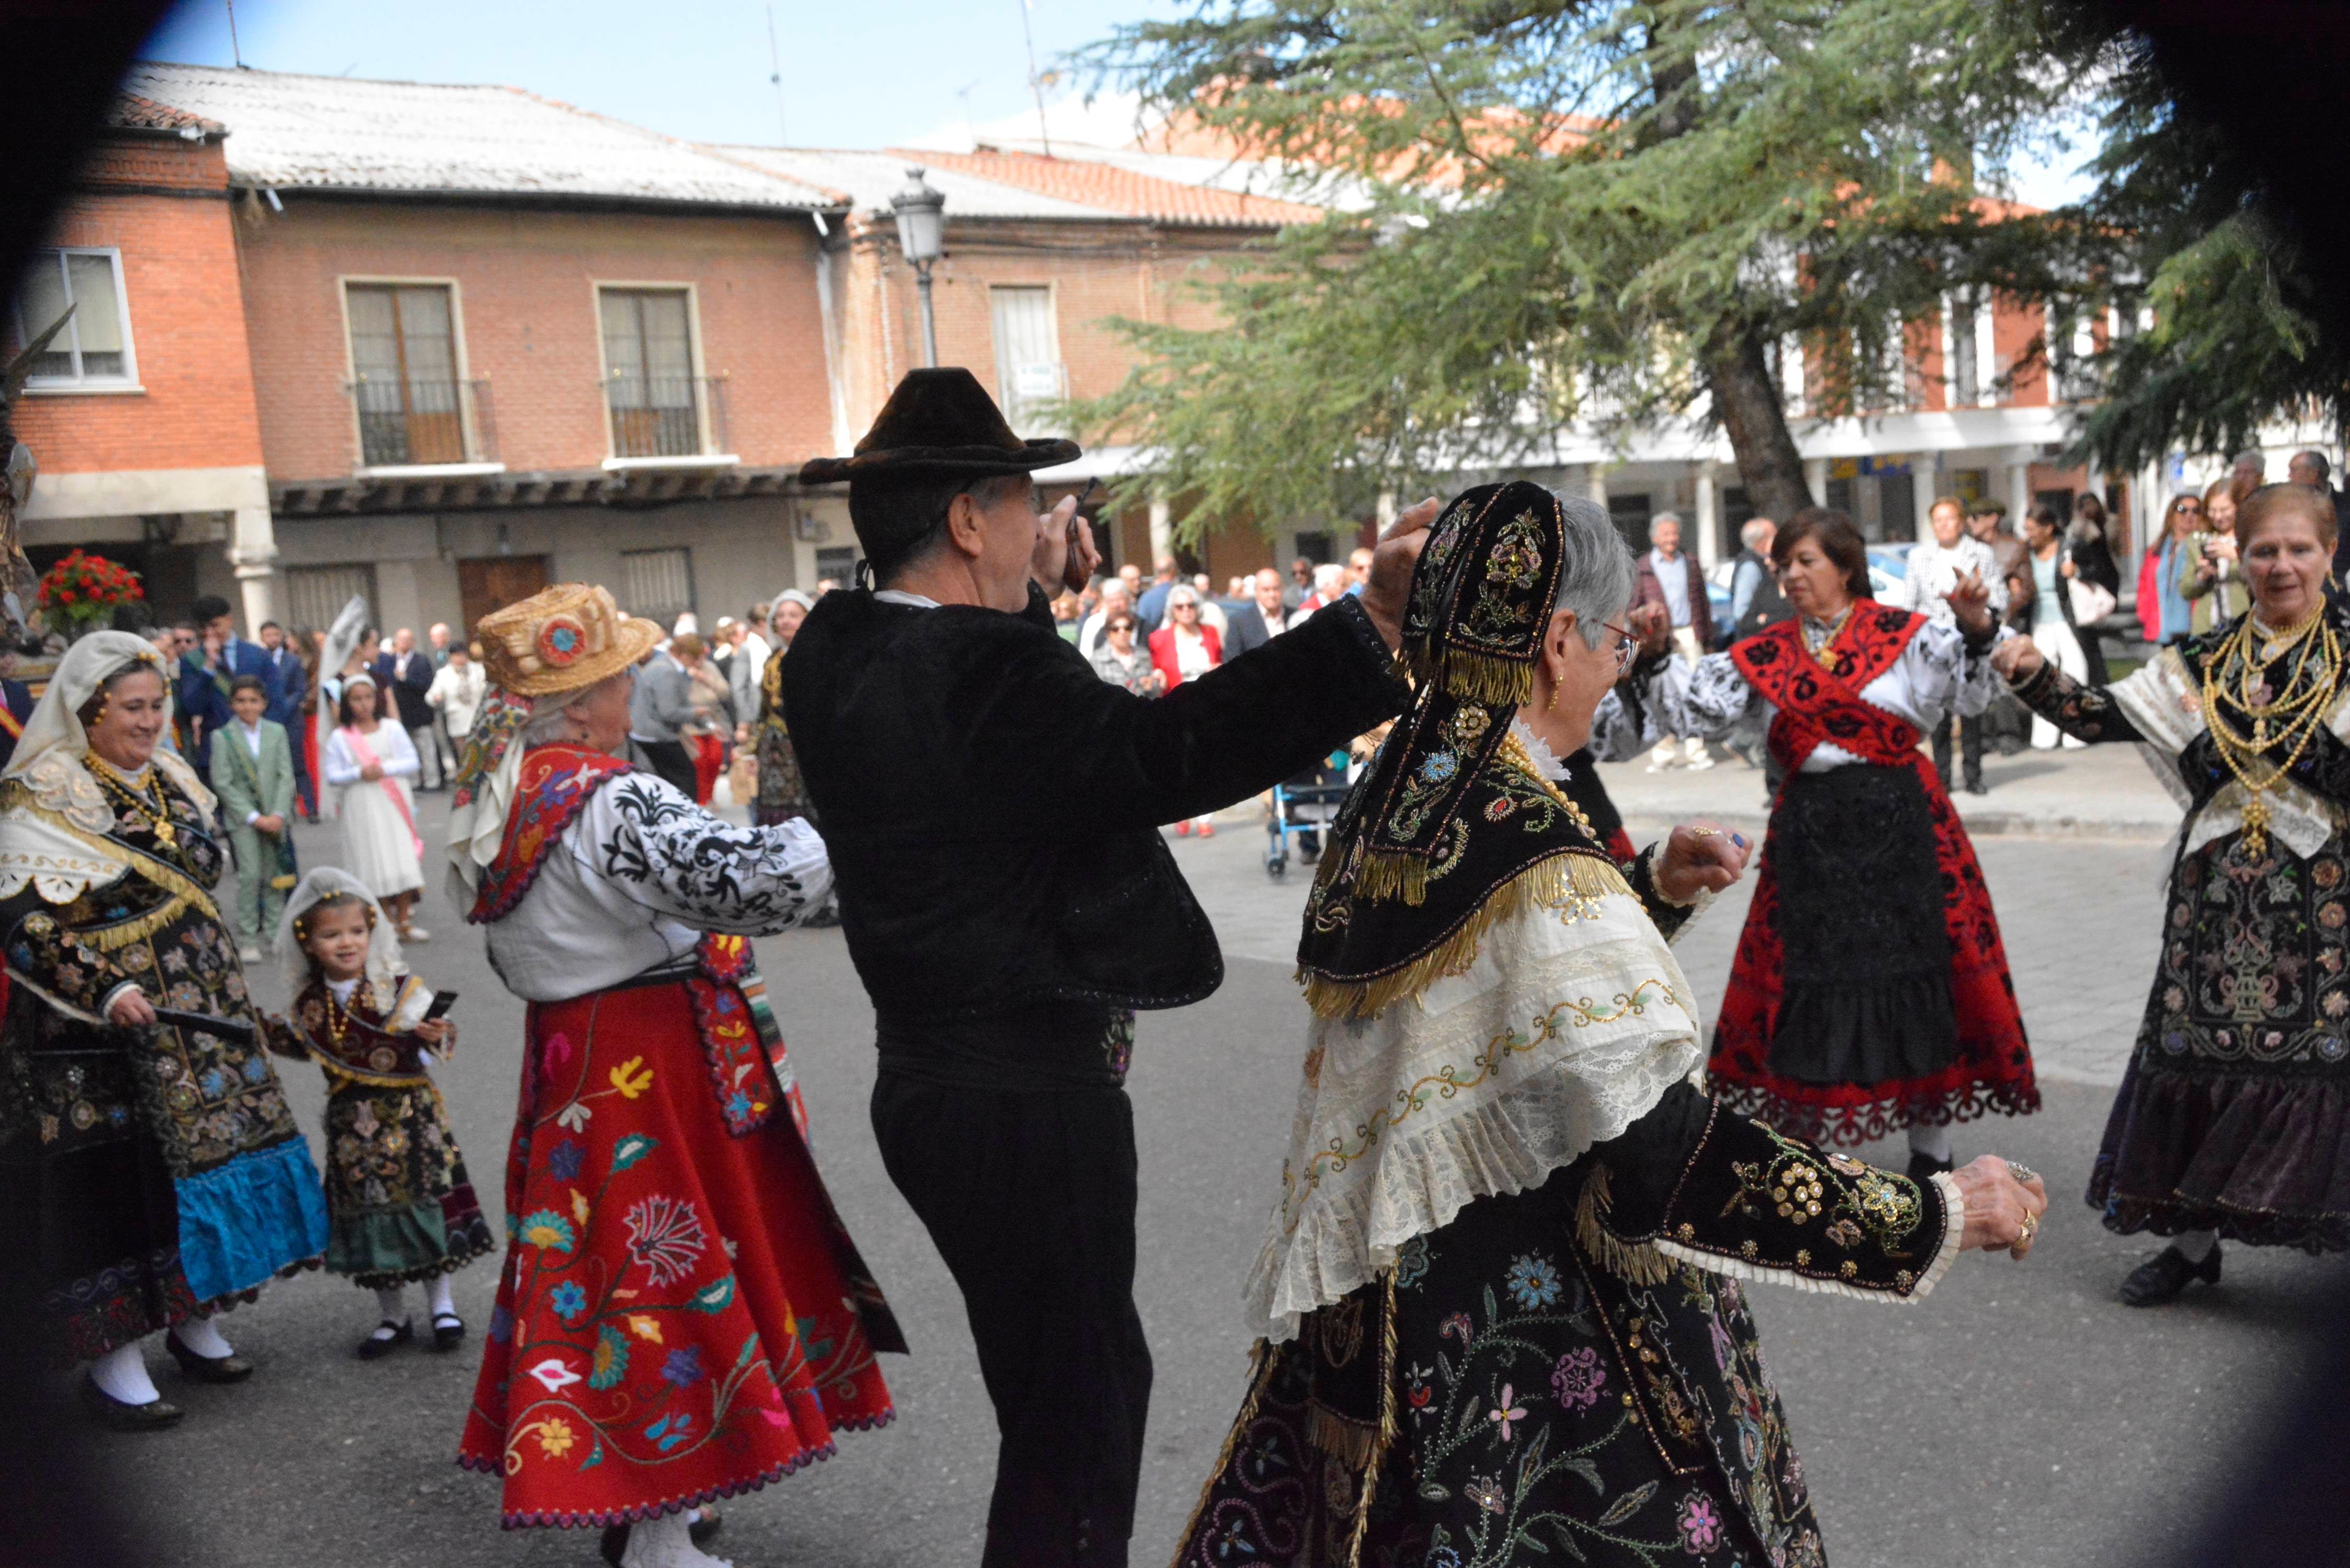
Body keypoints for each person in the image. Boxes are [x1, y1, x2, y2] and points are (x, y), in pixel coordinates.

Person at [1174, 482, 2047, 1567]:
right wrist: (1928, 1214)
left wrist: (1649, 895)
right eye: (1612, 636)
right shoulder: (1534, 842)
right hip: (1522, 1344)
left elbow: (1497, 1010)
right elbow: (1659, 1158)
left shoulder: (1407, 784)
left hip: (1386, 1310)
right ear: (1552, 642)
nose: (1618, 662)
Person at [784, 366, 1422, 1568]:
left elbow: (987, 721)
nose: (1047, 524)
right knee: (1080, 1416)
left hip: (930, 1088)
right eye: (1026, 501)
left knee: (1052, 1394)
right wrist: (1370, 629)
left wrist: (1023, 604)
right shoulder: (994, 677)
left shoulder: (831, 652)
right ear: (971, 519)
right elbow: (1161, 750)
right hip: (1027, 1097)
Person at [451, 583, 900, 1566]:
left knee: (602, 1269)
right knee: (662, 1273)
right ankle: (660, 1522)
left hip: (575, 1054)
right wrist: (848, 818)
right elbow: (754, 882)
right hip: (644, 1059)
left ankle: (644, 1503)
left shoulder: (511, 791)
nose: (633, 687)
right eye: (618, 676)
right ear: (582, 700)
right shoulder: (611, 796)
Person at [1997, 482, 2350, 1305]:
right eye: (2265, 550)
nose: (2282, 566)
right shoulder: (2203, 662)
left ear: (2331, 554)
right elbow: (2093, 716)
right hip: (2214, 903)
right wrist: (2024, 665)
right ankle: (2193, 1249)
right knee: (2192, 1056)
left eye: (2300, 549)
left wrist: (2267, 727)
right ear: (2241, 557)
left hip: (2328, 905)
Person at [1629, 509, 2039, 1177]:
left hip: (1902, 827)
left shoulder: (1903, 636)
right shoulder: (1766, 652)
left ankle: (1930, 1152)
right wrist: (1650, 654)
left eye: (1805, 562)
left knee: (1913, 976)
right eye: (1782, 565)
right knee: (1813, 980)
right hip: (1811, 835)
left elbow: (1968, 691)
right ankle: (1813, 1148)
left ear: (1845, 567)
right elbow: (1695, 706)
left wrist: (1974, 623)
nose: (1790, 576)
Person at [0, 632, 329, 1429]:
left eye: (159, 705)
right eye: (134, 709)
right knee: (122, 1187)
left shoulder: (173, 775)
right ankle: (114, 1363)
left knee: (203, 1168)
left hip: (199, 1016)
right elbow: (19, 919)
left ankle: (194, 1320)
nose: (152, 723)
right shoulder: (39, 794)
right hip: (95, 1031)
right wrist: (104, 986)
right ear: (88, 711)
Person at [264, 869, 490, 1358]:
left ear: (371, 932)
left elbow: (437, 1041)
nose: (346, 943)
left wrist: (434, 1036)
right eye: (331, 934)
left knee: (423, 1203)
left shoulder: (400, 988)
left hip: (411, 1120)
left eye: (356, 931)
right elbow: (298, 1046)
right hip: (352, 1128)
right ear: (308, 942)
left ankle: (442, 1305)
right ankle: (392, 1316)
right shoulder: (309, 1005)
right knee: (369, 1216)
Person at [1900, 495, 2008, 795]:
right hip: (1933, 643)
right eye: (1938, 520)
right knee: (1939, 715)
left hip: (1970, 640)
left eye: (1949, 519)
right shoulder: (1919, 557)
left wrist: (1981, 614)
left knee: (1972, 710)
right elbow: (1909, 603)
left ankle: (1974, 776)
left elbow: (1999, 596)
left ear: (1960, 522)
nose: (1944, 525)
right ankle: (1942, 780)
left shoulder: (1980, 553)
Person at [322, 674, 427, 944]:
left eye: (368, 697)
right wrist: (359, 772)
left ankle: (404, 920)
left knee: (399, 856)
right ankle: (385, 923)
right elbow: (333, 774)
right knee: (372, 859)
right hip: (361, 803)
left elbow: (411, 761)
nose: (364, 704)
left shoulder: (391, 728)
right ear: (347, 703)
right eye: (356, 699)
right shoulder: (340, 737)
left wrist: (383, 769)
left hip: (392, 800)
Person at [206, 673, 298, 962]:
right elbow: (222, 782)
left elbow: (286, 775)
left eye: (254, 701)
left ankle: (274, 933)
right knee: (250, 876)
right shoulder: (223, 737)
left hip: (276, 816)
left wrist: (279, 813)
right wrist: (254, 816)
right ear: (232, 704)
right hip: (244, 819)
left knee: (275, 876)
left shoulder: (276, 731)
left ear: (264, 703)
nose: (248, 707)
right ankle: (247, 937)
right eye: (241, 701)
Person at [1636, 512, 1714, 771]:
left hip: (1690, 634)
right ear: (1655, 537)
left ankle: (1696, 753)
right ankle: (1663, 755)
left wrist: (1708, 637)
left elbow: (1703, 602)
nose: (1672, 539)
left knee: (1696, 694)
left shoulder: (1689, 562)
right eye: (1667, 534)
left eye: (1675, 533)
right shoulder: (1644, 566)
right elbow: (1634, 606)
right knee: (1661, 695)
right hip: (1660, 640)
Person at [1150, 584, 1227, 837]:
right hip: (1175, 704)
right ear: (1172, 611)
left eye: (1191, 605)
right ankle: (1182, 812)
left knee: (1206, 761)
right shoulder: (1159, 638)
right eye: (1180, 607)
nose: (1186, 611)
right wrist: (1157, 676)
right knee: (1179, 761)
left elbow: (1219, 662)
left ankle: (1204, 818)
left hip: (1206, 704)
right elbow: (1155, 668)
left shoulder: (1210, 633)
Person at [2019, 503, 2091, 751]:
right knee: (2041, 678)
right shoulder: (2025, 552)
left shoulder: (2070, 547)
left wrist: (2077, 572)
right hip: (2040, 621)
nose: (2028, 534)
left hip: (2067, 620)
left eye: (2032, 529)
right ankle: (2044, 737)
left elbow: (2097, 570)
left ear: (2048, 528)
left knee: (2074, 674)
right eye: (2025, 529)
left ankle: (2076, 732)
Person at [177, 593, 270, 774]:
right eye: (204, 628)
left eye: (215, 625)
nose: (210, 633)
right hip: (216, 752)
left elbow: (274, 702)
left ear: (229, 620)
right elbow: (192, 707)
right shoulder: (192, 661)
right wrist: (209, 667)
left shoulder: (257, 655)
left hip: (258, 746)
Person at [752, 590, 817, 829]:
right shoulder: (773, 659)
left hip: (809, 742)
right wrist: (752, 747)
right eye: (780, 616)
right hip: (775, 749)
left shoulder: (817, 655)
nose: (785, 621)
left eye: (793, 615)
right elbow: (764, 708)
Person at [373, 628, 444, 792]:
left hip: (420, 712)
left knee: (427, 749)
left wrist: (405, 678)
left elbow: (426, 684)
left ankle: (432, 781)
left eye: (407, 640)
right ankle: (413, 781)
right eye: (400, 640)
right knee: (407, 749)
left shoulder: (421, 660)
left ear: (413, 642)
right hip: (401, 713)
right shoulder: (390, 660)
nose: (403, 643)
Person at [2066, 493, 2123, 684]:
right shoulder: (2079, 528)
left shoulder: (2108, 524)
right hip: (2089, 581)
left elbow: (2113, 545)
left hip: (2107, 575)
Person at [2180, 477, 2247, 635]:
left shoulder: (2249, 538)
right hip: (2207, 627)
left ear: (2239, 507)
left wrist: (2236, 556)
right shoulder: (2199, 540)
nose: (2218, 517)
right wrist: (2201, 575)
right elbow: (2185, 590)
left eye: (2224, 510)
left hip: (2243, 624)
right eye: (2212, 510)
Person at [2139, 491, 2207, 644]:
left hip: (2195, 625)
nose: (2189, 515)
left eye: (2196, 511)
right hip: (2161, 625)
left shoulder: (2204, 547)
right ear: (2172, 514)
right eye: (2183, 509)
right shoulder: (2157, 550)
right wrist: (2145, 613)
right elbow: (2144, 584)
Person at [2286, 448, 2350, 587]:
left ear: (2313, 474)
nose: (2289, 476)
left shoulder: (2346, 507)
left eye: (2293, 470)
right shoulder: (2287, 510)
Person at [1725, 514, 1791, 644]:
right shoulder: (1751, 567)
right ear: (1761, 541)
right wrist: (1763, 619)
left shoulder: (1767, 565)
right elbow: (1742, 613)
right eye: (1774, 535)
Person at [424, 642, 486, 762]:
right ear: (451, 656)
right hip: (458, 721)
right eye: (458, 655)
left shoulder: (478, 670)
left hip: (478, 719)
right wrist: (435, 698)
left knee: (482, 756)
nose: (461, 658)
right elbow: (431, 695)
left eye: (464, 655)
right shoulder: (444, 674)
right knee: (465, 757)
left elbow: (485, 688)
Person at [1087, 608, 1161, 695]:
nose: (1122, 632)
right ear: (1108, 634)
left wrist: (1152, 686)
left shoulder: (1143, 655)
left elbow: (1155, 693)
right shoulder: (1097, 660)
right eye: (1115, 629)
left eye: (1127, 628)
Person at [1222, 567, 1293, 656]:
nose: (1272, 594)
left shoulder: (1295, 616)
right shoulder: (1240, 622)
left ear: (1282, 589)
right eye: (1266, 590)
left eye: (1276, 589)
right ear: (1256, 591)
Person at [0, 640, 36, 772]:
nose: (9, 661)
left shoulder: (20, 690)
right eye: (3, 656)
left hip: (19, 771)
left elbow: (30, 729)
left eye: (11, 655)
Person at [1077, 576, 1133, 658]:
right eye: (1111, 600)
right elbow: (1086, 653)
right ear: (1104, 601)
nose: (1116, 605)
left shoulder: (1139, 622)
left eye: (1120, 599)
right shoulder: (1093, 623)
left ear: (1128, 600)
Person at [1136, 555, 1179, 633]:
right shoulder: (1183, 595)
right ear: (1173, 570)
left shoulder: (1146, 598)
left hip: (1154, 642)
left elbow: (1142, 626)